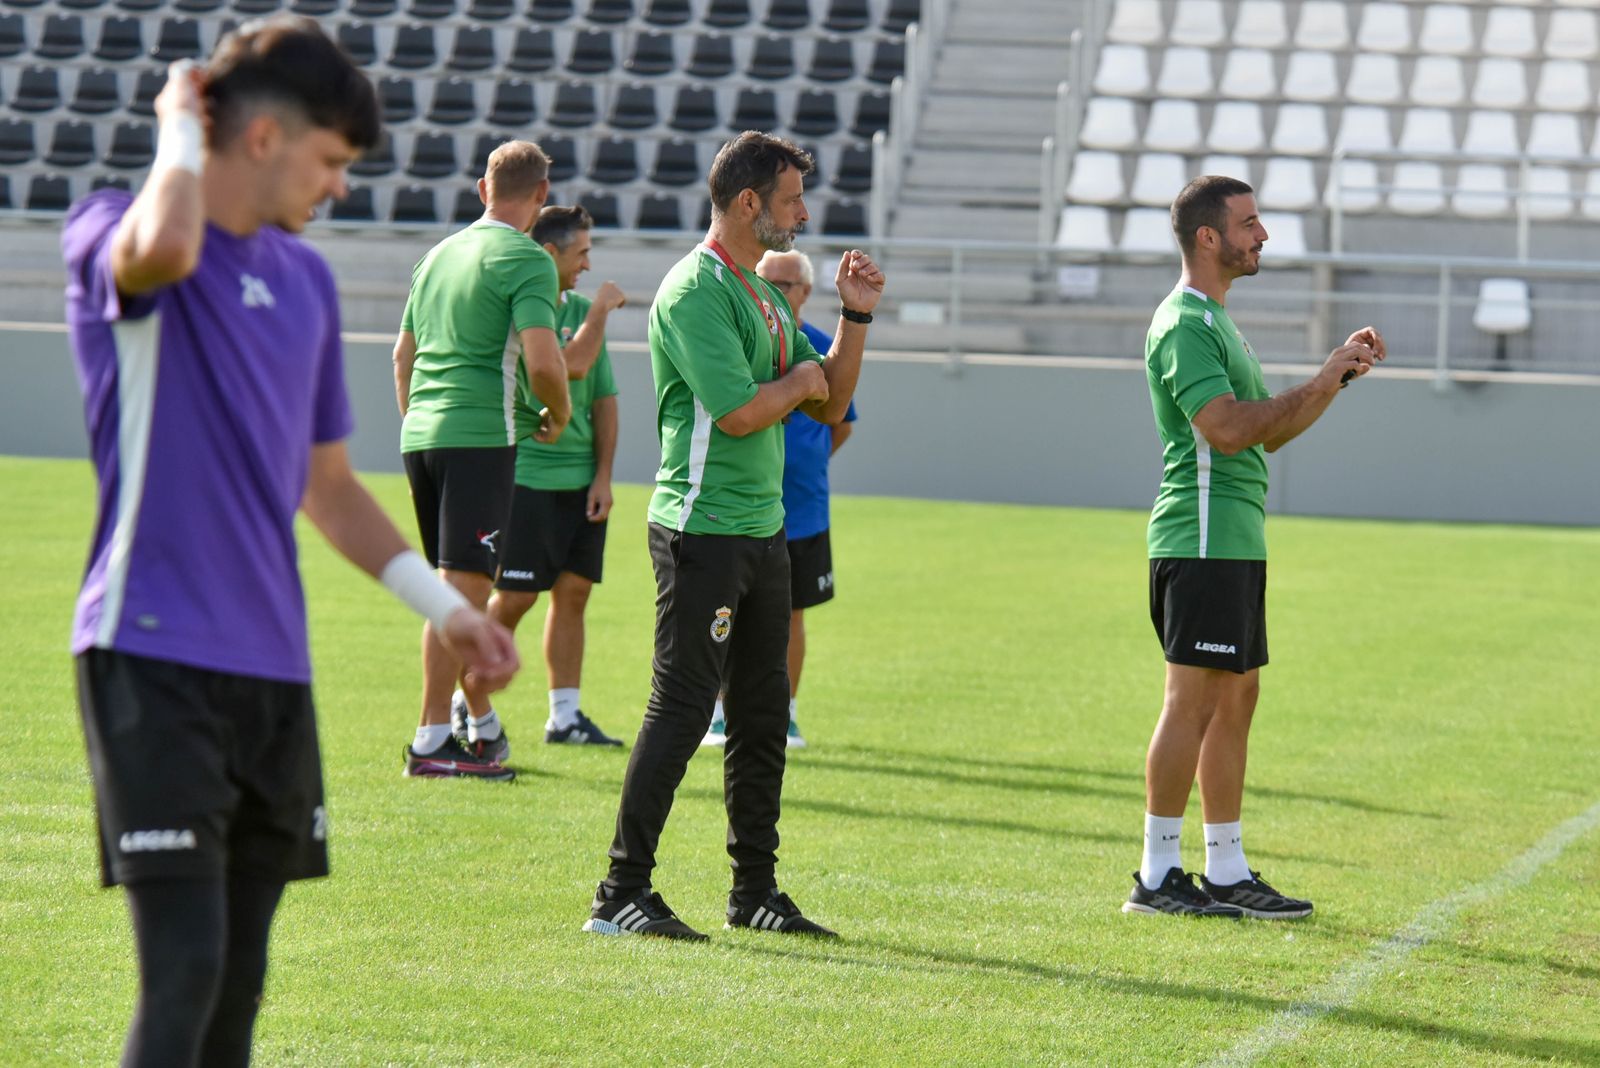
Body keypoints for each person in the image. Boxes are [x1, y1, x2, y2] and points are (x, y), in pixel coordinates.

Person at [62, 25, 520, 1067]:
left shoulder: (306, 287)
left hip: (273, 669)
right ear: (261, 136)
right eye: (328, 163)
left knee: (239, 988)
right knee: (181, 972)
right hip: (151, 655)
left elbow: (329, 489)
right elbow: (168, 248)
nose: (338, 189)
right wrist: (181, 127)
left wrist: (448, 610)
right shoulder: (109, 230)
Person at [584, 132, 885, 941]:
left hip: (763, 531)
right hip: (701, 531)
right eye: (792, 199)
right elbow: (746, 409)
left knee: (761, 712)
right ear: (749, 203)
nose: (803, 213)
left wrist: (854, 318)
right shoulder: (694, 291)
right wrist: (798, 379)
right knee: (681, 708)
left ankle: (754, 890)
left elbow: (827, 402)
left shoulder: (757, 291)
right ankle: (619, 893)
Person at [1126, 175, 1384, 919]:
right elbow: (1230, 428)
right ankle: (1155, 875)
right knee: (1192, 700)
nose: (1262, 234)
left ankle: (1227, 869)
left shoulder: (1218, 322)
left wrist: (1331, 379)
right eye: (1249, 222)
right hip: (1200, 535)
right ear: (1208, 237)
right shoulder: (1184, 323)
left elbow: (1266, 430)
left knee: (1236, 695)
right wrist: (1320, 377)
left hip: (1234, 537)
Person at [393, 141, 572, 780]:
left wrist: (418, 421)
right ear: (541, 195)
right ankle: (433, 739)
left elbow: (402, 358)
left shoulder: (435, 256)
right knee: (461, 594)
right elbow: (546, 362)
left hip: (422, 436)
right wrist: (561, 412)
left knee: (454, 589)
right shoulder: (525, 257)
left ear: (481, 189)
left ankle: (456, 729)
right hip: (478, 439)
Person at [480, 204, 629, 747]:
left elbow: (604, 400)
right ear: (550, 253)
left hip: (580, 483)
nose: (588, 264)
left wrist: (604, 475)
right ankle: (464, 703)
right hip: (527, 478)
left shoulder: (585, 309)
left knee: (574, 594)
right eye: (582, 252)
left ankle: (564, 717)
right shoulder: (525, 307)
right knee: (514, 598)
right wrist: (602, 313)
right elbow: (570, 366)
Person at [703, 249, 857, 750]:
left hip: (802, 509)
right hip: (740, 503)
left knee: (790, 614)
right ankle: (722, 713)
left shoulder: (816, 345)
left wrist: (806, 465)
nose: (772, 290)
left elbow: (841, 422)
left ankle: (784, 712)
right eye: (763, 279)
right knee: (727, 610)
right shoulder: (744, 337)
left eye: (784, 284)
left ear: (806, 292)